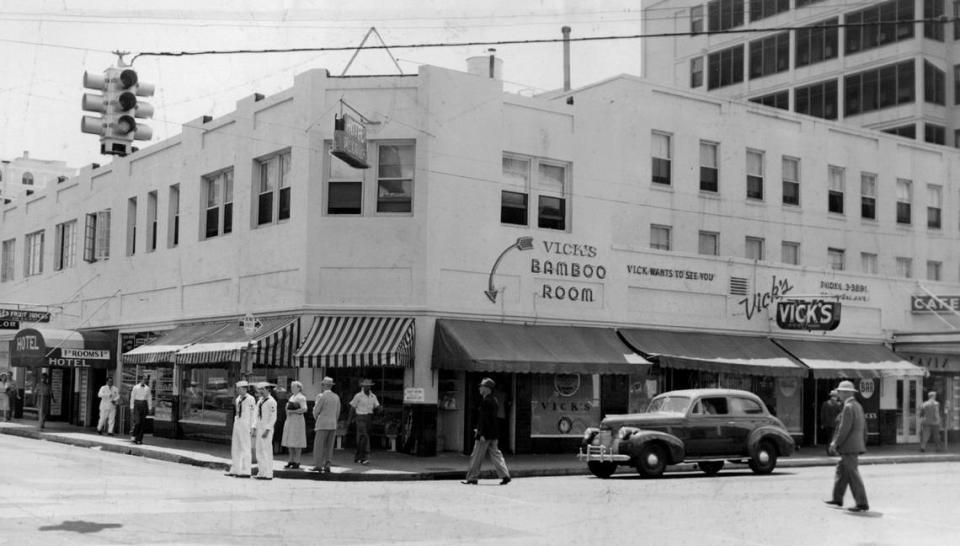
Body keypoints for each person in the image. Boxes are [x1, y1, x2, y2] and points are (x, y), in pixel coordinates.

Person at [824, 380, 869, 513]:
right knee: (842, 470)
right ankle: (837, 498)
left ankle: (862, 503)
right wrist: (862, 442)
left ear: (846, 393)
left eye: (840, 391)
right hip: (854, 445)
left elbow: (844, 428)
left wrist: (835, 442)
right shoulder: (857, 406)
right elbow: (864, 428)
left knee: (852, 474)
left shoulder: (848, 407)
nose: (838, 393)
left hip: (849, 446)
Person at [462, 377, 511, 486]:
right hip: (493, 433)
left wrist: (480, 433)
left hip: (485, 434)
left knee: (476, 456)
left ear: (488, 389)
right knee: (496, 454)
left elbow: (483, 419)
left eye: (482, 387)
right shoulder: (494, 400)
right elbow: (492, 419)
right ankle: (505, 475)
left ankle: (472, 477)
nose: (480, 388)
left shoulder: (486, 401)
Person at [226, 380, 256, 478]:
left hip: (246, 425)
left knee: (246, 448)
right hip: (238, 424)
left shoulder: (250, 399)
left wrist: (252, 427)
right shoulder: (238, 398)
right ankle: (235, 469)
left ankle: (246, 471)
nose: (237, 390)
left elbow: (253, 414)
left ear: (244, 389)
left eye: (239, 389)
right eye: (237, 388)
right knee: (235, 447)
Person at [312, 376, 340, 473]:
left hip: (322, 423)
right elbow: (337, 412)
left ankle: (318, 465)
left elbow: (316, 410)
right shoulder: (336, 397)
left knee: (319, 445)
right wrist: (334, 420)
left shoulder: (321, 396)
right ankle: (328, 463)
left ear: (324, 386)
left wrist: (317, 419)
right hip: (332, 424)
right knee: (329, 445)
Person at [349, 379, 380, 465]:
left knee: (362, 438)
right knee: (365, 436)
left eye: (369, 385)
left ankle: (357, 456)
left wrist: (380, 409)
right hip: (360, 417)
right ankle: (364, 458)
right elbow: (352, 408)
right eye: (365, 385)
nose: (367, 387)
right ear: (362, 386)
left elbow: (377, 406)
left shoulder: (373, 396)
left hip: (369, 418)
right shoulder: (358, 396)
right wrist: (349, 420)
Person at [253, 382, 277, 480]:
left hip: (266, 429)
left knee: (266, 451)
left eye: (262, 389)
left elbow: (273, 417)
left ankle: (268, 473)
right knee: (259, 451)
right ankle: (261, 472)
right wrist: (254, 427)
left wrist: (268, 429)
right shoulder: (260, 401)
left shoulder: (272, 401)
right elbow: (256, 415)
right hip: (259, 428)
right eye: (260, 389)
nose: (261, 391)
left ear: (268, 390)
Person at [281, 380, 307, 469]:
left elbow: (304, 409)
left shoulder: (301, 397)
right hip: (290, 420)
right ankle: (291, 460)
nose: (292, 388)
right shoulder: (292, 397)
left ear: (299, 388)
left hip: (297, 421)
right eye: (291, 387)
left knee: (297, 442)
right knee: (290, 441)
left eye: (294, 387)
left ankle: (297, 461)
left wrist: (293, 411)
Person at [129, 376, 152, 445]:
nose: (145, 381)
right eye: (144, 379)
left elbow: (149, 398)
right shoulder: (135, 387)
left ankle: (139, 439)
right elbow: (132, 397)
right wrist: (131, 407)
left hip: (144, 405)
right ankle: (133, 435)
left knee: (142, 423)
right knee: (137, 422)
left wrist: (150, 408)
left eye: (146, 380)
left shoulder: (147, 388)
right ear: (141, 380)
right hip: (137, 405)